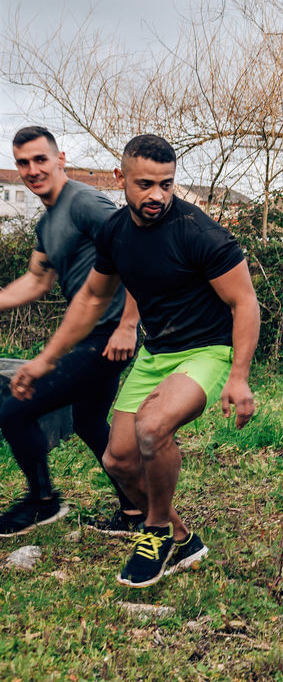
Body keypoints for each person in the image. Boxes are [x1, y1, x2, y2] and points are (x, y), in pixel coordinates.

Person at [10, 133, 261, 587]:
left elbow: (245, 303)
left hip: (206, 350)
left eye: (166, 185)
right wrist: (47, 358)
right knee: (118, 460)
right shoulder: (114, 232)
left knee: (151, 427)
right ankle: (184, 539)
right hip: (157, 352)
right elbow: (90, 298)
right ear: (119, 178)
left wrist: (239, 377)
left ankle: (156, 530)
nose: (157, 196)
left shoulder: (199, 232)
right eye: (145, 184)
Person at [0, 126, 143, 538]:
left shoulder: (84, 202)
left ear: (60, 159)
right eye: (23, 162)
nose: (32, 169)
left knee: (14, 408)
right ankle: (133, 513)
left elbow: (132, 248)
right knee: (89, 422)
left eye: (40, 159)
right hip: (87, 336)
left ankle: (42, 502)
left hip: (107, 336)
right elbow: (35, 281)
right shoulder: (48, 225)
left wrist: (129, 324)